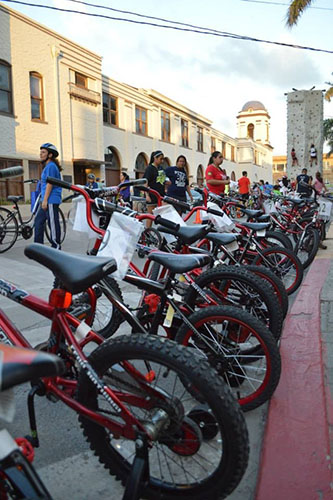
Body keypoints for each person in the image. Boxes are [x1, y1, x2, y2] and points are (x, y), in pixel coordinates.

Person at [34, 143, 62, 249]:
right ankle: (38, 247)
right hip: (46, 199)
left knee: (52, 223)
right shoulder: (48, 167)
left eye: (43, 152)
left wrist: (45, 200)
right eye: (40, 152)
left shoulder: (51, 166)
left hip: (50, 199)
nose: (40, 154)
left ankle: (56, 246)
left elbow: (50, 184)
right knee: (38, 221)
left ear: (50, 155)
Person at [143, 150, 170, 227]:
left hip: (161, 194)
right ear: (155, 158)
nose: (162, 161)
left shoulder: (161, 168)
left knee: (165, 211)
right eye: (160, 159)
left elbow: (162, 180)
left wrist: (166, 184)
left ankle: (166, 230)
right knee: (150, 215)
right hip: (152, 194)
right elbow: (146, 182)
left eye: (163, 159)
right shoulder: (150, 168)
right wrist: (147, 195)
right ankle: (147, 232)